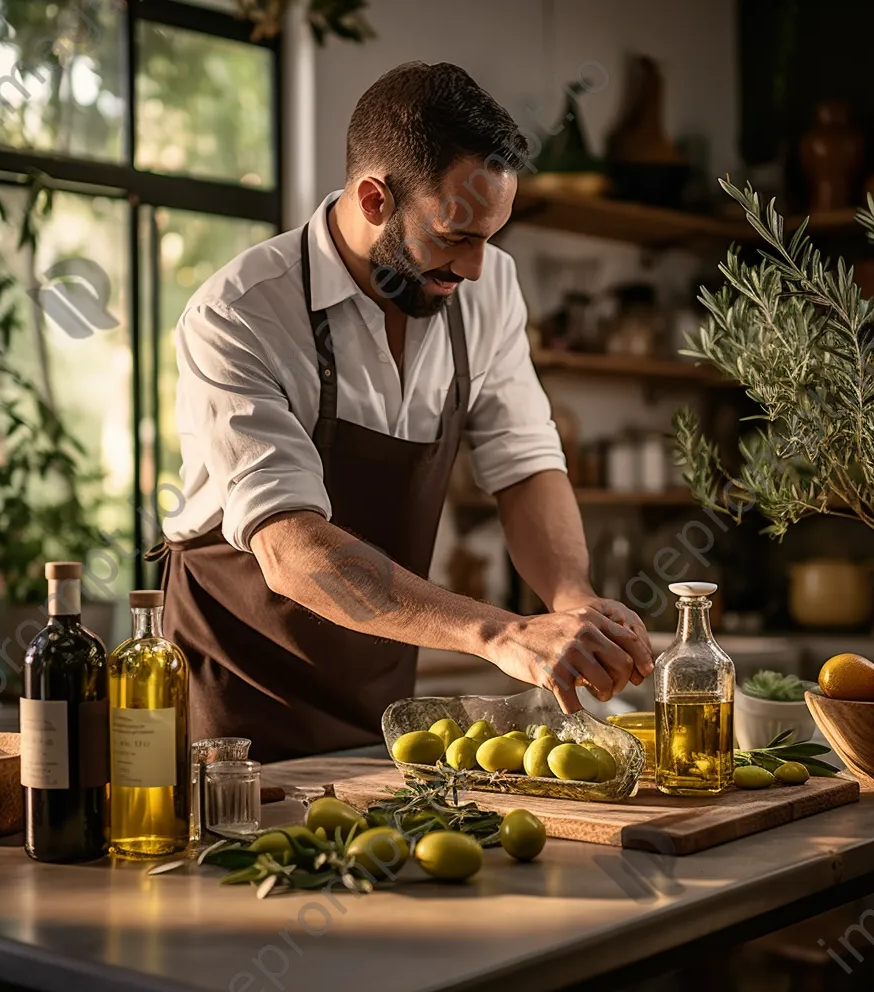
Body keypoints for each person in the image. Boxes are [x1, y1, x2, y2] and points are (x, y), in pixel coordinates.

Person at [162, 61, 653, 762]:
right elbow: (290, 546)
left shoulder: (485, 287)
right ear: (372, 199)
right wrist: (500, 633)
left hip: (381, 701)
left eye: (492, 237)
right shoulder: (240, 313)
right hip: (240, 704)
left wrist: (571, 599)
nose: (478, 268)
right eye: (455, 236)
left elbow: (525, 464)